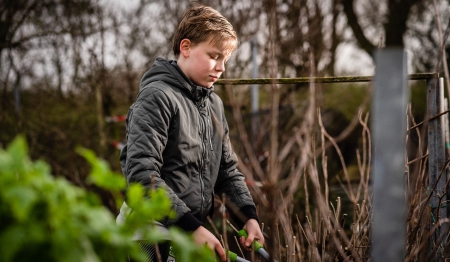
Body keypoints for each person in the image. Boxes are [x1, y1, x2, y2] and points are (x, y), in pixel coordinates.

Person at [117, 3, 264, 261]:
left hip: (187, 229)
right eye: (214, 56)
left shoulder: (214, 105)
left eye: (225, 60)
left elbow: (226, 171)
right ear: (185, 48)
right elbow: (142, 175)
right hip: (149, 232)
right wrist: (192, 226)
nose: (221, 68)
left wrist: (248, 216)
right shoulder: (157, 97)